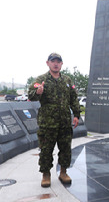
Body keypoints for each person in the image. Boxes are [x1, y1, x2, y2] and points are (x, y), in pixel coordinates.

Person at [28, 53, 80, 187]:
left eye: (58, 61)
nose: (56, 64)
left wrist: (76, 115)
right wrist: (38, 92)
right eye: (53, 61)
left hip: (64, 122)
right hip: (47, 123)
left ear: (62, 64)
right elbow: (31, 95)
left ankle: (63, 172)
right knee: (46, 150)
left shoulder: (67, 80)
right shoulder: (41, 79)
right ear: (48, 63)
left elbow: (73, 99)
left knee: (65, 149)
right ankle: (46, 174)